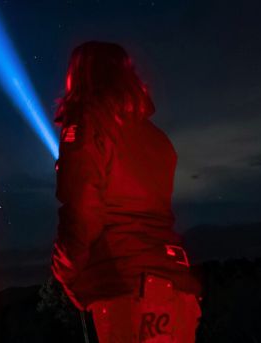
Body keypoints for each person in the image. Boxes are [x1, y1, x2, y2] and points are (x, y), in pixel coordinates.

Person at [51, 42, 201, 343]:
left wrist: (65, 267)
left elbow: (83, 207)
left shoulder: (87, 123)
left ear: (79, 76)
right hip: (178, 288)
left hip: (126, 288)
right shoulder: (157, 139)